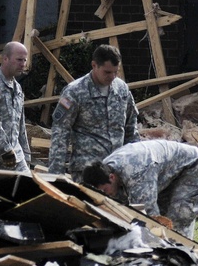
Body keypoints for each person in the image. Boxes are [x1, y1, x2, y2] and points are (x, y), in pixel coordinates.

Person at [82, 139, 198, 239]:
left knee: (178, 216)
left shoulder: (136, 173)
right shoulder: (105, 168)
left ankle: (185, 255)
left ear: (111, 177)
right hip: (165, 173)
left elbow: (149, 216)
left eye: (105, 190)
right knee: (163, 215)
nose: (107, 195)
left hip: (192, 167)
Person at [48, 44, 139, 181]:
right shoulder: (75, 92)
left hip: (117, 170)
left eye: (116, 72)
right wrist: (55, 174)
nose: (112, 76)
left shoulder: (122, 90)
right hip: (87, 171)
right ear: (94, 65)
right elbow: (60, 132)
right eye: (107, 72)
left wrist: (135, 162)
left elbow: (131, 128)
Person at [0, 41, 31, 173]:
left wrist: (26, 154)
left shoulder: (17, 88)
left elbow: (20, 124)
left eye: (24, 60)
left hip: (16, 155)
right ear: (5, 58)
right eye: (18, 60)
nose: (22, 64)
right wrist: (6, 150)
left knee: (29, 188)